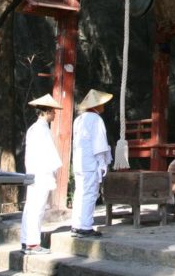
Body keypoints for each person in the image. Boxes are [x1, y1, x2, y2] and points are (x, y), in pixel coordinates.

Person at [20, 94, 63, 255]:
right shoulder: (41, 130)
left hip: (33, 171)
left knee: (31, 207)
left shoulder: (34, 128)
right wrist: (55, 169)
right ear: (47, 111)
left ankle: (26, 240)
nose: (55, 114)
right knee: (37, 208)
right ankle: (32, 243)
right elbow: (48, 153)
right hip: (41, 172)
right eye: (53, 112)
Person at [70, 88, 113, 238]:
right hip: (91, 163)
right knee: (90, 194)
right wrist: (102, 163)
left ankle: (76, 224)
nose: (104, 106)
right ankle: (85, 226)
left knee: (79, 193)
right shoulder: (96, 119)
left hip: (79, 162)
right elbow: (99, 144)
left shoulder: (78, 120)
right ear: (96, 105)